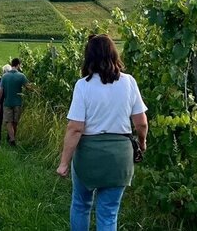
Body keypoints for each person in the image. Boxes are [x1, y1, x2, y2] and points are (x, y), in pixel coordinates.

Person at [56, 34, 148, 231]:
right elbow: (141, 124)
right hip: (119, 157)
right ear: (114, 54)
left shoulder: (83, 85)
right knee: (109, 213)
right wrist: (142, 143)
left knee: (81, 205)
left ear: (88, 57)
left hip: (88, 155)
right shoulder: (129, 82)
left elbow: (75, 128)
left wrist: (64, 163)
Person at [0, 57, 30, 146]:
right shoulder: (21, 76)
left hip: (7, 102)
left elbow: (0, 91)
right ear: (18, 65)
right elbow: (28, 87)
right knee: (15, 121)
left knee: (8, 121)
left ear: (12, 65)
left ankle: (12, 139)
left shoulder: (4, 76)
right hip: (18, 102)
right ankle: (12, 138)